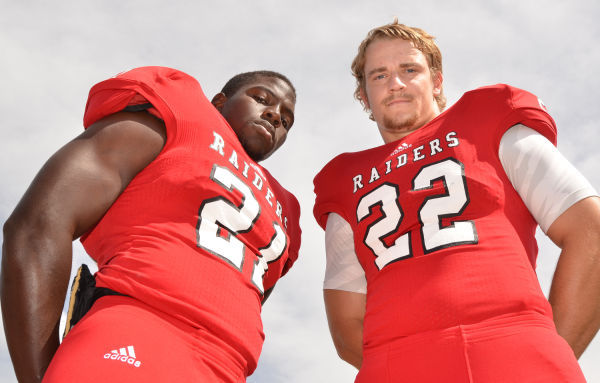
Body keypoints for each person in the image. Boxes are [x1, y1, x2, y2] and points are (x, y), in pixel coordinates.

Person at [313, 20, 600, 382]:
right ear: (363, 95)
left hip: (513, 348)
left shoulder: (486, 122)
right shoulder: (345, 179)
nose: (395, 83)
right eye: (379, 75)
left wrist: (545, 352)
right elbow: (345, 321)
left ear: (436, 80)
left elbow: (591, 230)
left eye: (409, 69)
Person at [1, 65, 301, 382]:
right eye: (262, 99)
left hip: (227, 367)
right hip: (138, 333)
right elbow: (37, 225)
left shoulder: (285, 209)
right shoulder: (180, 119)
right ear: (218, 102)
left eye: (286, 120)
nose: (274, 116)